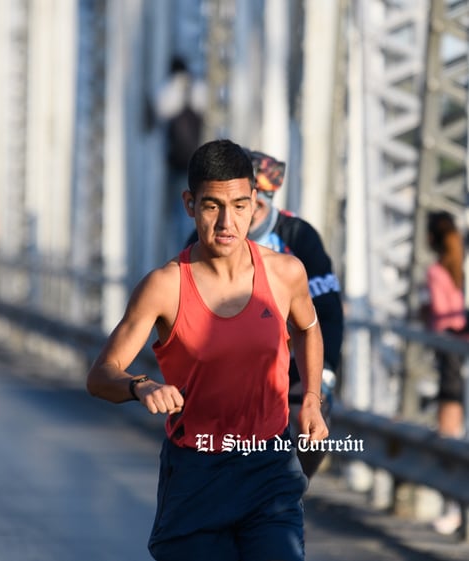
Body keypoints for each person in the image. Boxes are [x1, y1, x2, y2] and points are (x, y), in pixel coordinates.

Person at [87, 139, 328, 561]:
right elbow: (101, 373)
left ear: (255, 204)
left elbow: (308, 329)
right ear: (190, 204)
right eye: (212, 205)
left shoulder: (285, 273)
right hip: (197, 473)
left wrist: (310, 400)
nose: (226, 223)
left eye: (239, 205)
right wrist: (140, 385)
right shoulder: (165, 285)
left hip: (269, 465)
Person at [241, 149, 343, 478]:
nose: (246, 217)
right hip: (237, 353)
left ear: (267, 198)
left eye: (256, 205)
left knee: (310, 419)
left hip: (294, 351)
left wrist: (326, 369)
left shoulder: (299, 236)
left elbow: (327, 309)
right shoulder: (211, 234)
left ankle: (297, 488)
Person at [423, 210, 466, 535]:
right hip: (461, 345)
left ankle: (452, 508)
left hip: (449, 352)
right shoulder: (460, 270)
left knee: (447, 433)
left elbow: (443, 314)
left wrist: (425, 314)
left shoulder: (437, 271)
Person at [155, 55, 203, 258]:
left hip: (175, 164)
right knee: (192, 212)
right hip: (193, 163)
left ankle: (179, 253)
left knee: (176, 214)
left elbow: (160, 111)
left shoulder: (170, 91)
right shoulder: (198, 89)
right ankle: (189, 250)